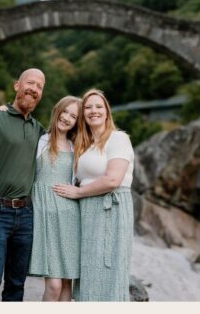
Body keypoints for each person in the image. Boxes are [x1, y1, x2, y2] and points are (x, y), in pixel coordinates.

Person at [0, 68, 47, 301]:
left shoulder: (39, 130)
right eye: (30, 83)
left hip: (25, 216)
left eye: (39, 87)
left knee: (16, 283)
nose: (34, 89)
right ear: (17, 86)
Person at [53, 89, 134, 301]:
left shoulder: (118, 138)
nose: (93, 111)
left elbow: (113, 180)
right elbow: (56, 131)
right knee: (87, 272)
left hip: (111, 210)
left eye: (98, 106)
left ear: (107, 112)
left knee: (108, 271)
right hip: (87, 213)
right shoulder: (84, 144)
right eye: (88, 107)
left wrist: (78, 192)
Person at [27, 96, 81, 301]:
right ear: (57, 111)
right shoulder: (40, 140)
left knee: (67, 284)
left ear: (77, 122)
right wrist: (3, 109)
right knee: (54, 286)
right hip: (45, 218)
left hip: (69, 219)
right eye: (65, 111)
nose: (67, 118)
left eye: (73, 116)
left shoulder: (76, 147)